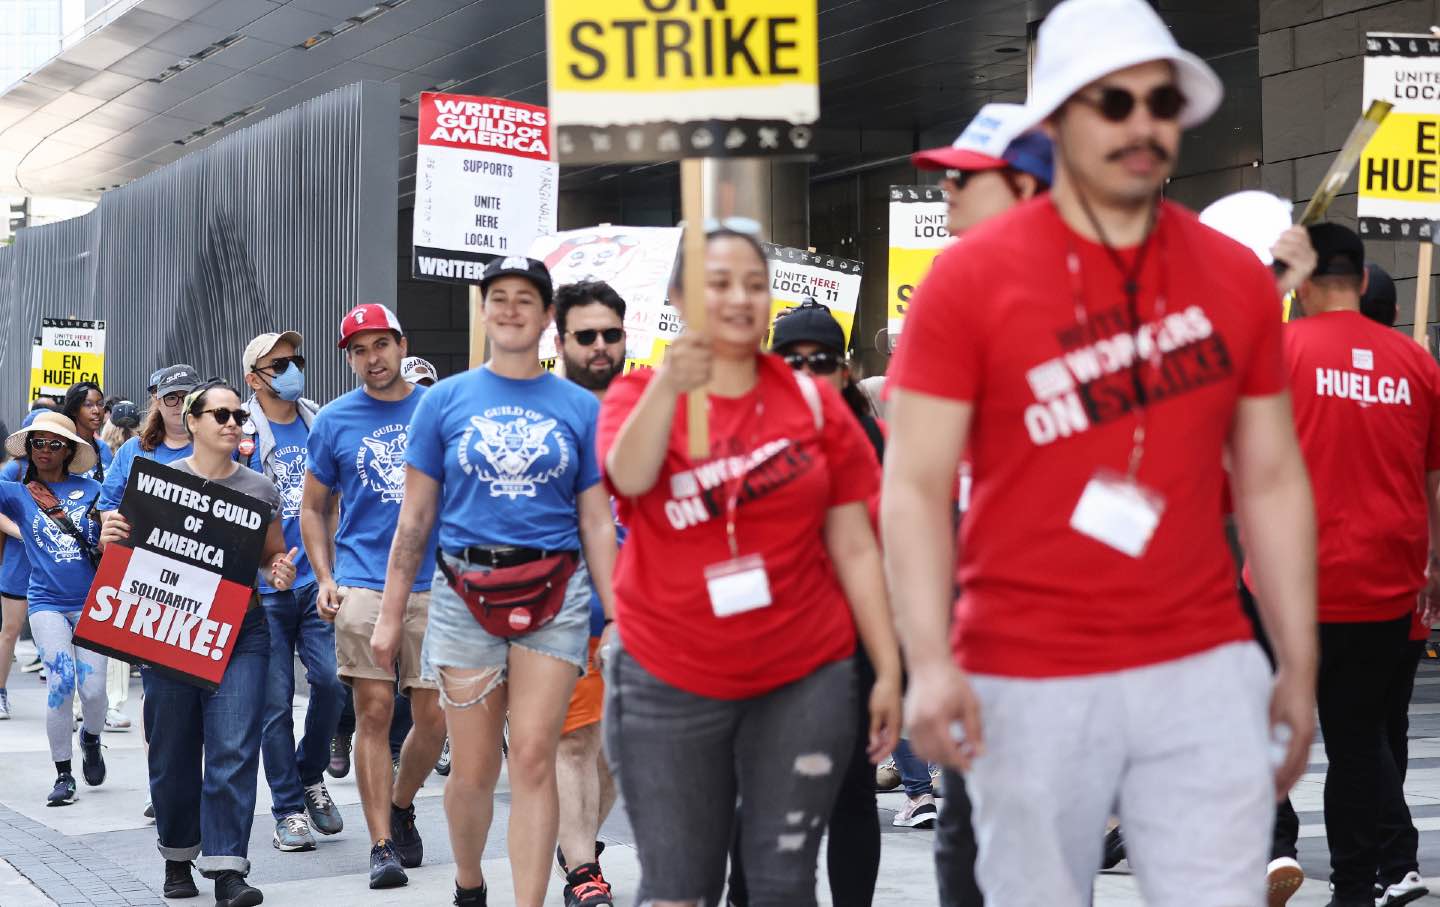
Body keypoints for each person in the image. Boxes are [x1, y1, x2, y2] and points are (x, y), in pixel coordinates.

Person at [882, 2, 1318, 905]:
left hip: (1200, 663)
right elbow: (915, 487)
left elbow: (1272, 480)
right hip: (1025, 672)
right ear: (1055, 120)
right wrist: (929, 659)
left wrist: (1296, 664)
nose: (1144, 123)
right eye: (1112, 102)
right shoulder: (964, 282)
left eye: (1161, 101)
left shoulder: (1233, 279)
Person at [599, 228, 902, 907]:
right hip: (668, 679)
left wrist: (886, 666)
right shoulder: (636, 396)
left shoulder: (816, 402)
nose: (739, 298)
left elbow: (856, 544)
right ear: (679, 297)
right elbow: (629, 472)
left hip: (803, 678)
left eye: (754, 283)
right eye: (717, 283)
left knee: (781, 883)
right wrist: (673, 387)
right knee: (681, 885)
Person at [374, 255, 618, 907]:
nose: (511, 308)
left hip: (557, 593)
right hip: (462, 592)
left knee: (536, 756)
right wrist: (392, 613)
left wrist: (618, 610)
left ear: (546, 317)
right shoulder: (443, 401)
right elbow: (415, 519)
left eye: (526, 298)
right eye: (499, 296)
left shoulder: (577, 406)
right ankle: (469, 880)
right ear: (484, 309)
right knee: (474, 769)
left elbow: (597, 520)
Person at [1260, 226, 1439, 907]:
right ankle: (1357, 887)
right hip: (1384, 585)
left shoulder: (1277, 351)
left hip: (1286, 584)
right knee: (1359, 741)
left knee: (1272, 728)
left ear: (1301, 282)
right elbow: (1432, 480)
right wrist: (1435, 565)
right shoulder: (1418, 363)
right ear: (1364, 282)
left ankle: (1274, 841)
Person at [723, 299, 897, 907]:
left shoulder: (870, 439)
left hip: (850, 644)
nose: (804, 371)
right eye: (790, 359)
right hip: (768, 642)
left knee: (850, 792)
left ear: (843, 368)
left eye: (819, 360)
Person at [100, 380, 299, 907]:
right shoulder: (157, 484)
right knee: (173, 751)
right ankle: (177, 855)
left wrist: (278, 569)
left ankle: (229, 869)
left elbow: (270, 555)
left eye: (239, 415)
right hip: (172, 633)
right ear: (193, 422)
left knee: (234, 749)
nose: (233, 423)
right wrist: (113, 538)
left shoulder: (259, 487)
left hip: (242, 633)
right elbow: (127, 555)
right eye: (221, 415)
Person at [302, 303, 447, 889]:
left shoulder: (435, 409)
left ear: (401, 345)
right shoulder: (334, 420)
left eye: (381, 345)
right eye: (359, 350)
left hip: (436, 584)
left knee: (434, 718)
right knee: (374, 712)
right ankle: (382, 842)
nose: (372, 358)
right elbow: (313, 506)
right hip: (362, 582)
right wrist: (326, 576)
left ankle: (402, 800)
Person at [241, 329, 345, 852]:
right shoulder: (238, 430)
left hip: (318, 581)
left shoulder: (320, 419)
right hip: (264, 591)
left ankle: (309, 775)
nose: (290, 370)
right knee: (275, 703)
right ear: (252, 377)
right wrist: (262, 566)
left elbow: (339, 497)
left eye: (295, 360)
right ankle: (287, 809)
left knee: (331, 684)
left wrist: (336, 568)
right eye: (277, 364)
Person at [552, 279, 627, 907]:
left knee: (615, 751)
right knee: (573, 741)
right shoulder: (544, 412)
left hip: (648, 610)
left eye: (611, 333)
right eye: (586, 335)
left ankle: (580, 841)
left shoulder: (650, 402)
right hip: (570, 608)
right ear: (562, 340)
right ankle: (583, 873)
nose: (600, 346)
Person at [0, 412, 107, 806]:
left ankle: (91, 738)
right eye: (37, 443)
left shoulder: (94, 489)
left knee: (94, 692)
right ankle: (64, 774)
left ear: (69, 450)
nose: (45, 451)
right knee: (61, 685)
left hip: (92, 604)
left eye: (54, 444)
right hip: (45, 603)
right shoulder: (18, 492)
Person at [98, 365, 202, 515]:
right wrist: (116, 523)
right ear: (158, 402)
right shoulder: (132, 449)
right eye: (171, 397)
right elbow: (108, 505)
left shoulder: (217, 449)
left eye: (187, 397)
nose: (180, 404)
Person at [0, 408, 49, 719]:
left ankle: (65, 700)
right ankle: (1, 691)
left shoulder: (66, 474)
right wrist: (24, 532)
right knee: (11, 630)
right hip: (18, 565)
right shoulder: (13, 472)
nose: (45, 446)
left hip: (53, 566)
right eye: (38, 439)